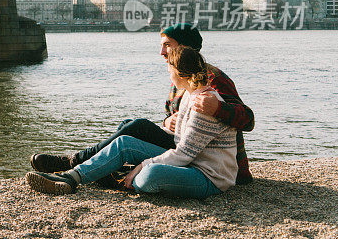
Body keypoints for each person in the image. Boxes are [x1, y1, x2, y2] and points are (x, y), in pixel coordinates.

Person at [30, 23, 254, 186]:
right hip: (184, 142)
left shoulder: (212, 79)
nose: (161, 52)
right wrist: (170, 120)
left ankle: (74, 162)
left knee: (136, 127)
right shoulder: (182, 80)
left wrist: (217, 109)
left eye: (167, 45)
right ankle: (100, 168)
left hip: (201, 156)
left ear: (184, 48)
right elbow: (170, 114)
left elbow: (248, 118)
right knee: (128, 125)